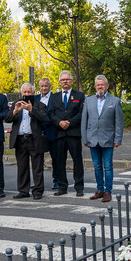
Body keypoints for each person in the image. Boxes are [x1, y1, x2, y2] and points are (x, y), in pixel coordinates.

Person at [81, 74, 124, 203]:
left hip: (108, 140)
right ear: (95, 86)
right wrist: (85, 138)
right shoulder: (88, 101)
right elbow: (84, 121)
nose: (100, 86)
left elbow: (119, 122)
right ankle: (99, 190)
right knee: (97, 167)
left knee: (108, 167)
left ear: (107, 86)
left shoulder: (115, 101)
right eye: (98, 84)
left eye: (102, 84)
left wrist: (117, 139)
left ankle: (107, 191)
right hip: (92, 139)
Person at [6, 82, 49, 200]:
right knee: (22, 166)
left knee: (37, 167)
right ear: (21, 93)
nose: (26, 94)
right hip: (20, 139)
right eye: (24, 92)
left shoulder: (40, 105)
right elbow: (7, 119)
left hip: (34, 139)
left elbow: (44, 118)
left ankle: (38, 191)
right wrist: (15, 111)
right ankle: (23, 190)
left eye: (29, 92)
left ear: (33, 93)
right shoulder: (16, 104)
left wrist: (31, 110)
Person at [47, 69, 86, 197]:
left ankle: (79, 187)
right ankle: (62, 186)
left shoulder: (79, 96)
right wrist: (59, 122)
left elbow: (82, 113)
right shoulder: (54, 97)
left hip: (73, 133)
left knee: (77, 161)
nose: (65, 82)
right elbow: (50, 113)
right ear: (59, 82)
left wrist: (69, 122)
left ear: (72, 81)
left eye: (67, 79)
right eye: (63, 80)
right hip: (59, 133)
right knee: (59, 161)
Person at [36, 77, 57, 190]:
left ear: (50, 86)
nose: (44, 88)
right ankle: (38, 182)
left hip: (52, 130)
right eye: (42, 86)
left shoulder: (55, 98)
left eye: (46, 86)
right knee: (38, 159)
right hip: (39, 132)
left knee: (55, 157)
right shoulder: (35, 98)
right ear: (39, 87)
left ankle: (56, 180)